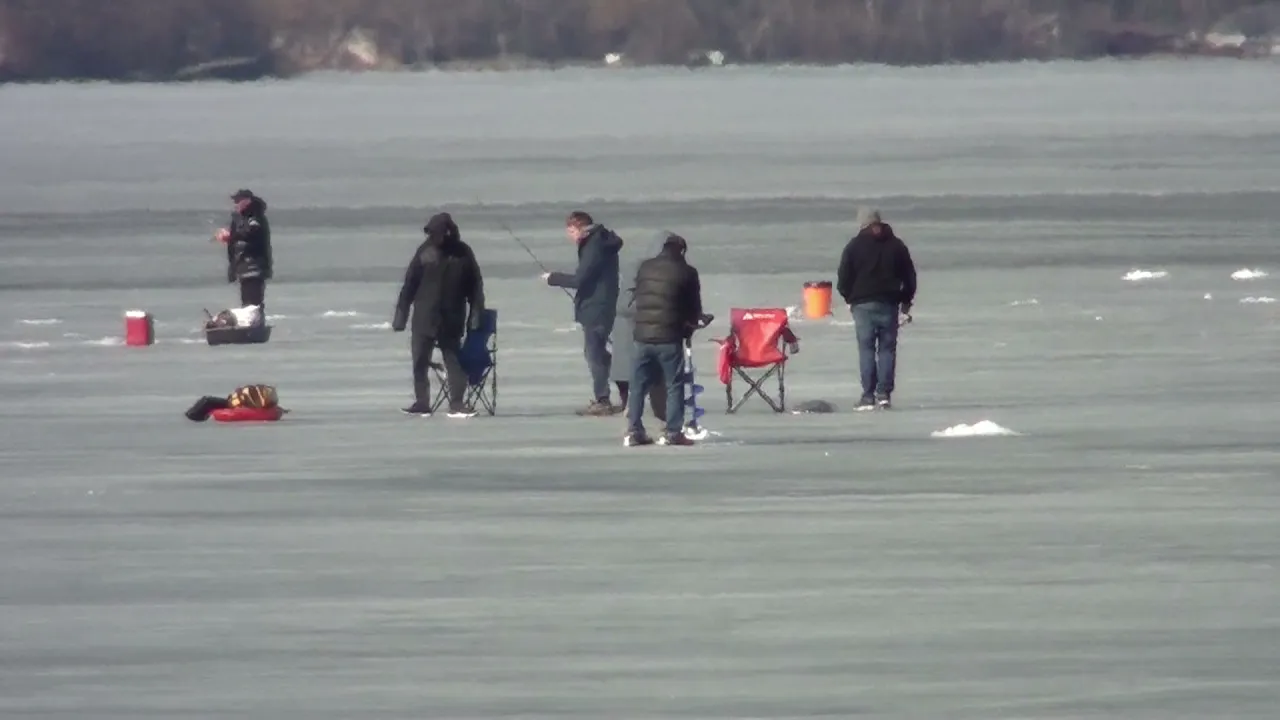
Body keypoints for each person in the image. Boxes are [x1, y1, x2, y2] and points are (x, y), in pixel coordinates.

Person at [392, 212, 485, 419]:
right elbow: (409, 285)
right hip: (424, 317)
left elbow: (475, 287)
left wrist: (476, 314)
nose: (437, 238)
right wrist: (401, 316)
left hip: (451, 318)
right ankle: (422, 402)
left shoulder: (463, 254)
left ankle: (457, 404)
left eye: (440, 233)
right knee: (419, 360)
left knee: (453, 361)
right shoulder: (425, 253)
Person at [541, 210, 624, 416]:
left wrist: (554, 278)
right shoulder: (598, 242)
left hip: (597, 306)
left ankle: (604, 398)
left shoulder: (594, 245)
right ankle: (624, 387)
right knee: (598, 352)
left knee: (594, 353)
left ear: (580, 227)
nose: (569, 236)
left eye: (570, 230)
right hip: (599, 304)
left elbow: (580, 279)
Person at [624, 233, 704, 447]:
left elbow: (638, 294)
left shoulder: (645, 267)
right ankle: (672, 432)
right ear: (682, 251)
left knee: (638, 385)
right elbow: (693, 307)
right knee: (674, 385)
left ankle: (633, 431)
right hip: (669, 337)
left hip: (641, 336)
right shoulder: (687, 272)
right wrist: (693, 324)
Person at [836, 208, 917, 411]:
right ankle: (884, 395)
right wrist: (905, 302)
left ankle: (867, 396)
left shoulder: (854, 246)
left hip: (862, 305)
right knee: (887, 350)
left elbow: (843, 277)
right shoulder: (896, 245)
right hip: (889, 304)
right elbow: (909, 277)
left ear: (862, 223)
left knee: (866, 349)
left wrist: (849, 298)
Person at [612, 233, 669, 421]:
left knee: (659, 378)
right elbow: (625, 304)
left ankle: (665, 419)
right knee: (637, 377)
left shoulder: (673, 271)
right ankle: (634, 421)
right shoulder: (636, 269)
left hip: (660, 334)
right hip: (634, 333)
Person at [215, 189, 273, 319]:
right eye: (235, 201)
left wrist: (231, 236)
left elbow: (252, 234)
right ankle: (248, 327)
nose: (236, 204)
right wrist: (232, 269)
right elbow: (233, 246)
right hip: (242, 267)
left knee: (254, 303)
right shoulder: (238, 218)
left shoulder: (255, 216)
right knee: (246, 303)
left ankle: (256, 327)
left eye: (238, 201)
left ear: (247, 200)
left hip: (254, 267)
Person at [185, 384, 282, 421]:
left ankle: (194, 416)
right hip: (234, 404)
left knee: (207, 401)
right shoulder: (267, 399)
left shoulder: (264, 400)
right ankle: (194, 416)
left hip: (233, 405)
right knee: (207, 401)